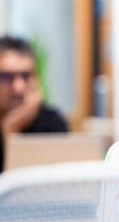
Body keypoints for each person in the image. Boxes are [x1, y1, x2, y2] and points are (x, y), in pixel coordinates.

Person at [0, 35, 68, 170]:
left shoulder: (52, 122)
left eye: (26, 76)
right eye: (7, 77)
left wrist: (12, 129)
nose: (18, 87)